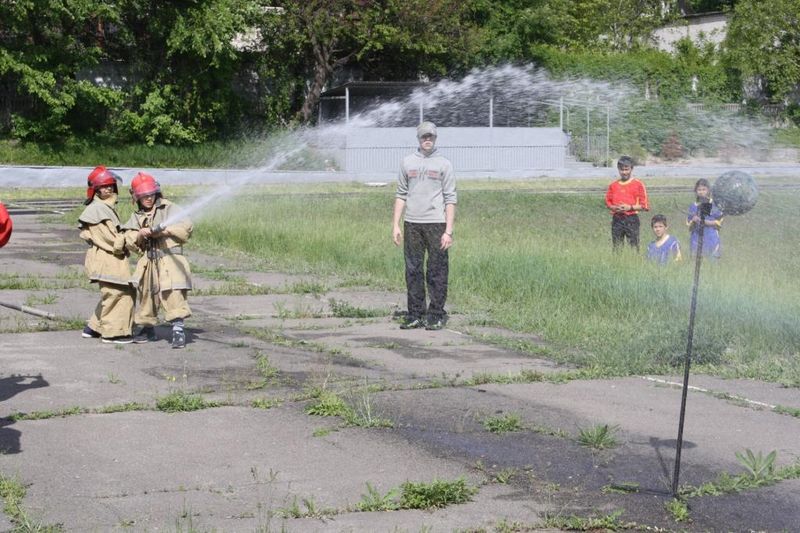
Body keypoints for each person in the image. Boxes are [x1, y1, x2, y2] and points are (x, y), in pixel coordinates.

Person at [392, 121, 456, 331]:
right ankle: (415, 314)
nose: (427, 140)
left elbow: (450, 199)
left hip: (436, 224)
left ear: (435, 138)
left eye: (431, 137)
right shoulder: (407, 162)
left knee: (437, 270)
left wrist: (448, 231)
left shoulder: (444, 164)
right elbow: (401, 194)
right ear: (418, 139)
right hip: (412, 224)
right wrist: (396, 225)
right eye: (424, 137)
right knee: (413, 270)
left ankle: (436, 313)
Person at [122, 172, 193, 348]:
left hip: (170, 259)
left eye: (151, 194)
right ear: (137, 197)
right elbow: (127, 236)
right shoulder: (136, 216)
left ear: (157, 192)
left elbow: (186, 228)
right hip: (148, 261)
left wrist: (166, 231)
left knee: (173, 292)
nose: (148, 198)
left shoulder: (170, 208)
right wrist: (140, 233)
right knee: (147, 295)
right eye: (144, 196)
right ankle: (147, 328)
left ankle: (178, 330)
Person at [78, 166, 135, 343]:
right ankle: (114, 333)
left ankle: (93, 328)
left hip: (108, 259)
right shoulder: (97, 211)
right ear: (95, 189)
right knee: (118, 294)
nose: (108, 189)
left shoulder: (103, 207)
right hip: (107, 259)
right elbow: (113, 240)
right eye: (103, 186)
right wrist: (134, 237)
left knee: (112, 293)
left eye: (110, 185)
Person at [605, 155, 649, 252]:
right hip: (617, 219)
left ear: (631, 169)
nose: (624, 172)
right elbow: (608, 202)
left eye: (626, 169)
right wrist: (614, 208)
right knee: (617, 247)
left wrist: (630, 207)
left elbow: (644, 205)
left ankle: (634, 263)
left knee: (634, 246)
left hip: (631, 218)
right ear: (618, 169)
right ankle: (617, 264)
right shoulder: (613, 185)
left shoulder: (638, 184)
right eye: (622, 170)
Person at [687, 178, 722, 259]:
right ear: (695, 191)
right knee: (696, 261)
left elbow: (719, 223)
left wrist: (705, 222)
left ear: (708, 190)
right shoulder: (693, 206)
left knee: (712, 262)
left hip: (711, 238)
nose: (701, 192)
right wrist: (693, 220)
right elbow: (689, 226)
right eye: (699, 189)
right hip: (696, 238)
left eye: (704, 189)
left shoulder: (714, 204)